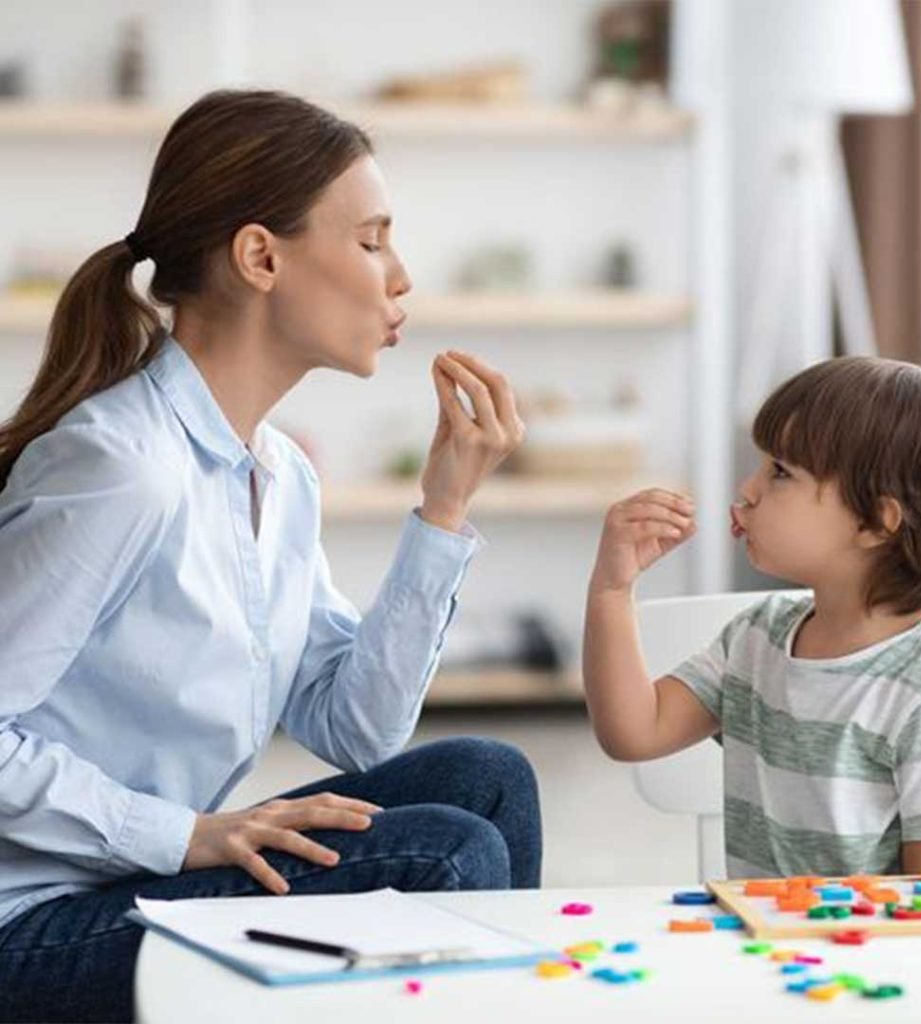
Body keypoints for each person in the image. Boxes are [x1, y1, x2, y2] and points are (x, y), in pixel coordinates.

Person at [0, 89, 541, 1023]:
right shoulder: (120, 467)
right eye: (371, 240)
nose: (400, 275)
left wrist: (443, 508)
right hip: (36, 924)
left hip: (132, 880)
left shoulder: (279, 474)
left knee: (489, 780)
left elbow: (355, 730)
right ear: (260, 257)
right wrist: (188, 835)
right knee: (448, 853)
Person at [583, 356, 921, 879]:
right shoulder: (757, 637)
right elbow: (634, 730)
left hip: (870, 959)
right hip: (757, 950)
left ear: (877, 522)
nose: (748, 490)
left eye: (781, 472)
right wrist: (612, 587)